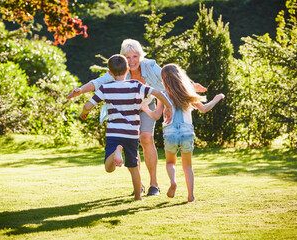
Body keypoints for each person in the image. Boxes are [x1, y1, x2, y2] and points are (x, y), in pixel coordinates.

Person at [68, 38, 206, 196]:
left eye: (135, 56)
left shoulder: (150, 66)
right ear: (123, 58)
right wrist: (80, 90)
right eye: (128, 57)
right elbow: (98, 82)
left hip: (147, 105)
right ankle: (138, 184)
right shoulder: (119, 69)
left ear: (140, 56)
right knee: (132, 142)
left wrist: (190, 86)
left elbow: (171, 76)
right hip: (127, 109)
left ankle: (154, 184)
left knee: (146, 137)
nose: (131, 60)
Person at [79, 54, 172, 200]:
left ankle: (117, 150)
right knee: (133, 166)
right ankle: (138, 197)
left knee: (109, 168)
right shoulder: (136, 85)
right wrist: (168, 106)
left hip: (114, 133)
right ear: (127, 69)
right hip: (131, 133)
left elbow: (88, 105)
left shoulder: (105, 88)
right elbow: (158, 93)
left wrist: (84, 113)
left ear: (109, 72)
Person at [141, 63, 225, 202]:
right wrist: (216, 99)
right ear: (180, 76)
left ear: (163, 80)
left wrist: (145, 109)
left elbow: (156, 115)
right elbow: (204, 109)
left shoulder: (162, 95)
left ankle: (173, 182)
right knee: (188, 166)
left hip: (170, 132)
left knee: (170, 162)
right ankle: (190, 195)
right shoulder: (187, 93)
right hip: (187, 131)